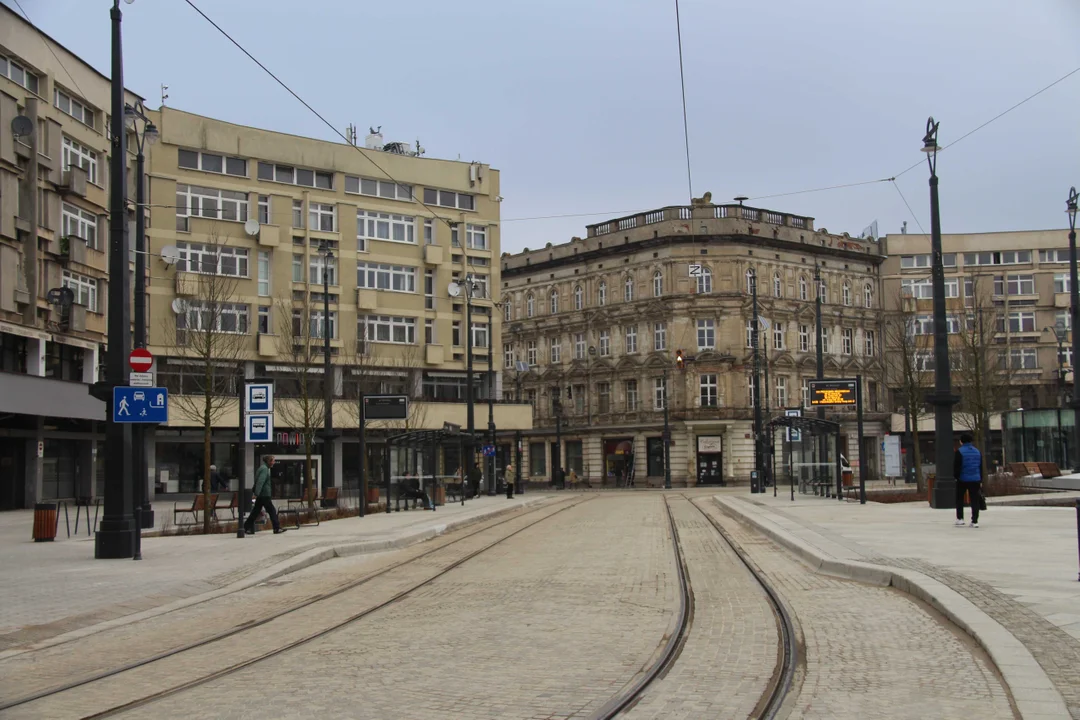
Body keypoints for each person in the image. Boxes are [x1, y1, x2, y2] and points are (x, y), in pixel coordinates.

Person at [244, 455, 287, 535]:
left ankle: (245, 527)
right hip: (264, 494)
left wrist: (257, 493)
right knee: (272, 510)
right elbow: (261, 481)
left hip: (261, 494)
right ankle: (276, 528)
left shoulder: (263, 468)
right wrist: (256, 493)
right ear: (269, 461)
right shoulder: (264, 469)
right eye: (273, 461)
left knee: (255, 511)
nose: (274, 462)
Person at [953, 433, 984, 528]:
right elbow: (980, 466)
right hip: (975, 479)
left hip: (962, 479)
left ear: (961, 441)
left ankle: (960, 519)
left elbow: (956, 467)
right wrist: (980, 478)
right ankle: (974, 521)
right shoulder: (977, 452)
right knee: (975, 500)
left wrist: (956, 477)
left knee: (960, 499)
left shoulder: (959, 452)